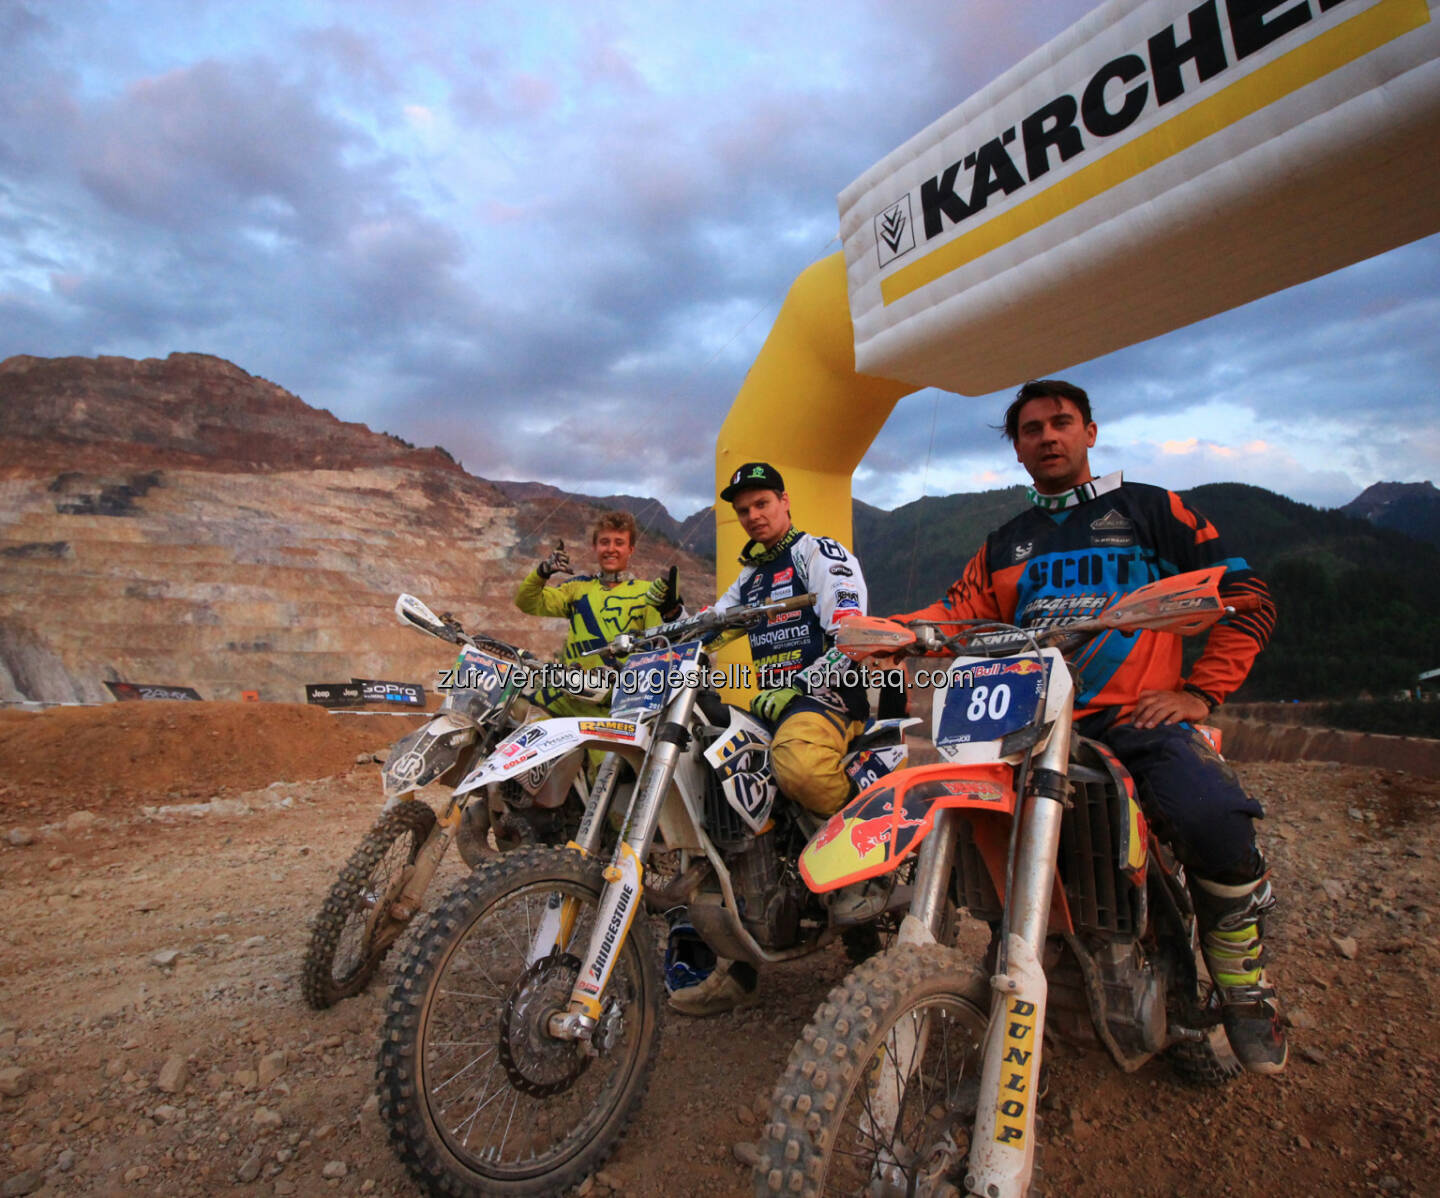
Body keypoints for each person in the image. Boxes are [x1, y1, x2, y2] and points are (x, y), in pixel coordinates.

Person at [891, 378, 1286, 1073]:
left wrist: (1198, 692)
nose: (1047, 436)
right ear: (1017, 450)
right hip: (1030, 722)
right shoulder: (1005, 544)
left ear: (1089, 434)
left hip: (1134, 719)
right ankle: (1021, 957)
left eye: (1061, 422)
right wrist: (893, 631)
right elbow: (958, 615)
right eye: (1031, 429)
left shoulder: (1151, 509)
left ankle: (1241, 986)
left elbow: (1245, 596)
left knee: (1216, 821)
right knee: (973, 830)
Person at [668, 461, 871, 1017]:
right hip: (771, 703)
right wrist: (672, 623)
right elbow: (713, 621)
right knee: (717, 783)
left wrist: (802, 685)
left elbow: (852, 633)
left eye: (762, 504)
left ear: (785, 502)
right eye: (743, 510)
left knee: (798, 766)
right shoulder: (752, 579)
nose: (753, 516)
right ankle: (739, 962)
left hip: (831, 695)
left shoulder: (817, 554)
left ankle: (858, 861)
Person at [514, 509, 682, 722]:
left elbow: (661, 648)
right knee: (514, 710)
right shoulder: (577, 587)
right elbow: (527, 602)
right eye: (604, 542)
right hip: (566, 699)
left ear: (631, 549)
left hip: (613, 709)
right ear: (595, 547)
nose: (611, 549)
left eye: (619, 543)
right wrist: (542, 572)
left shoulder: (647, 593)